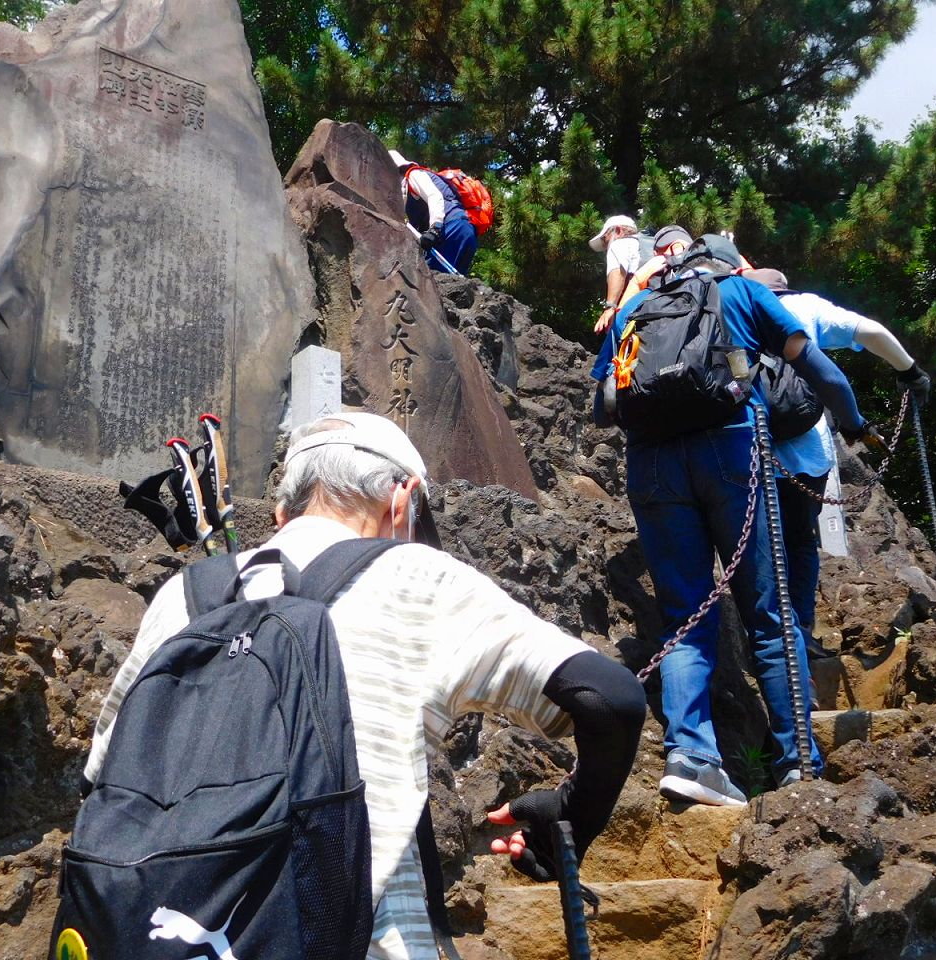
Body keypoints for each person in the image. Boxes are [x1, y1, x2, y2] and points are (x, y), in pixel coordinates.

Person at [85, 412, 645, 959]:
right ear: (400, 502)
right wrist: (571, 811)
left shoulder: (183, 597)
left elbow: (104, 781)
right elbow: (608, 699)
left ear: (281, 514)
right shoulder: (418, 579)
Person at [590, 235, 885, 804]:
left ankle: (692, 757)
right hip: (731, 452)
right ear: (733, 264)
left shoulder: (635, 306)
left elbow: (604, 402)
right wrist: (852, 422)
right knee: (770, 613)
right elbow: (820, 370)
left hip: (650, 463)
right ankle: (797, 762)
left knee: (684, 616)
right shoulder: (745, 292)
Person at [746, 268, 931, 659]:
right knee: (799, 543)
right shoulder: (804, 307)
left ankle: (759, 638)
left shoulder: (729, 311)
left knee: (753, 546)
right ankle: (799, 635)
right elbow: (872, 332)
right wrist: (909, 372)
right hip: (804, 454)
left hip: (739, 451)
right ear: (785, 286)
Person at [389, 150, 478, 275]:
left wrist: (434, 229)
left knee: (428, 282)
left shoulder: (414, 174)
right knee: (453, 287)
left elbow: (434, 196)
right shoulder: (406, 187)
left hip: (450, 229)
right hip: (465, 231)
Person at [590, 215, 642, 334]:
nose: (605, 248)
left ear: (618, 231)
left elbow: (618, 271)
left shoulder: (619, 244)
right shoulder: (648, 247)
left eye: (604, 240)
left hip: (636, 310)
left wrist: (610, 307)